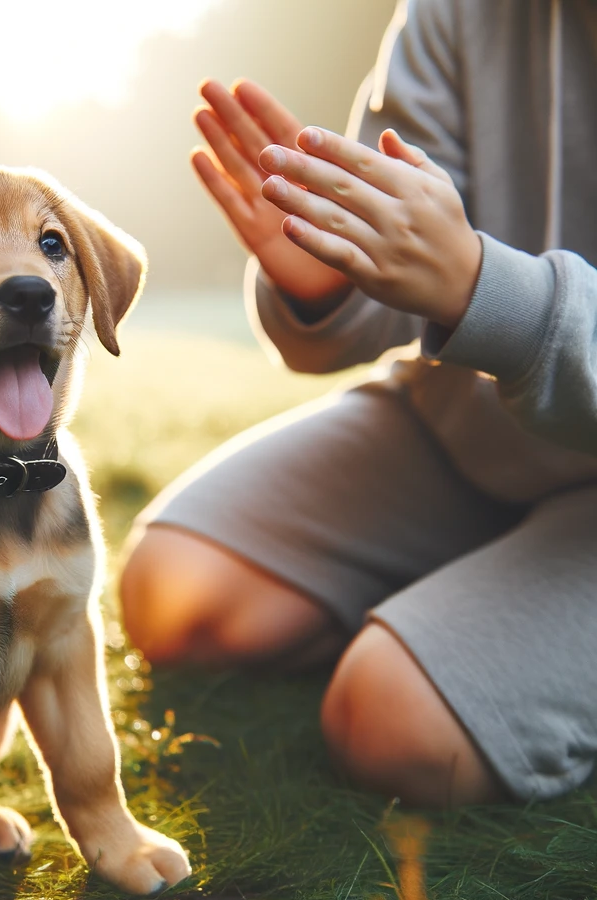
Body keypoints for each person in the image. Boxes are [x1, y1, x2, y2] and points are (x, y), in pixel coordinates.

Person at [119, 0, 597, 808]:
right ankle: (463, 600)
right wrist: (335, 276)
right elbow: (416, 258)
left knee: (392, 719)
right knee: (174, 588)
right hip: (464, 428)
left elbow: (464, 276)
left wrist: (486, 289)